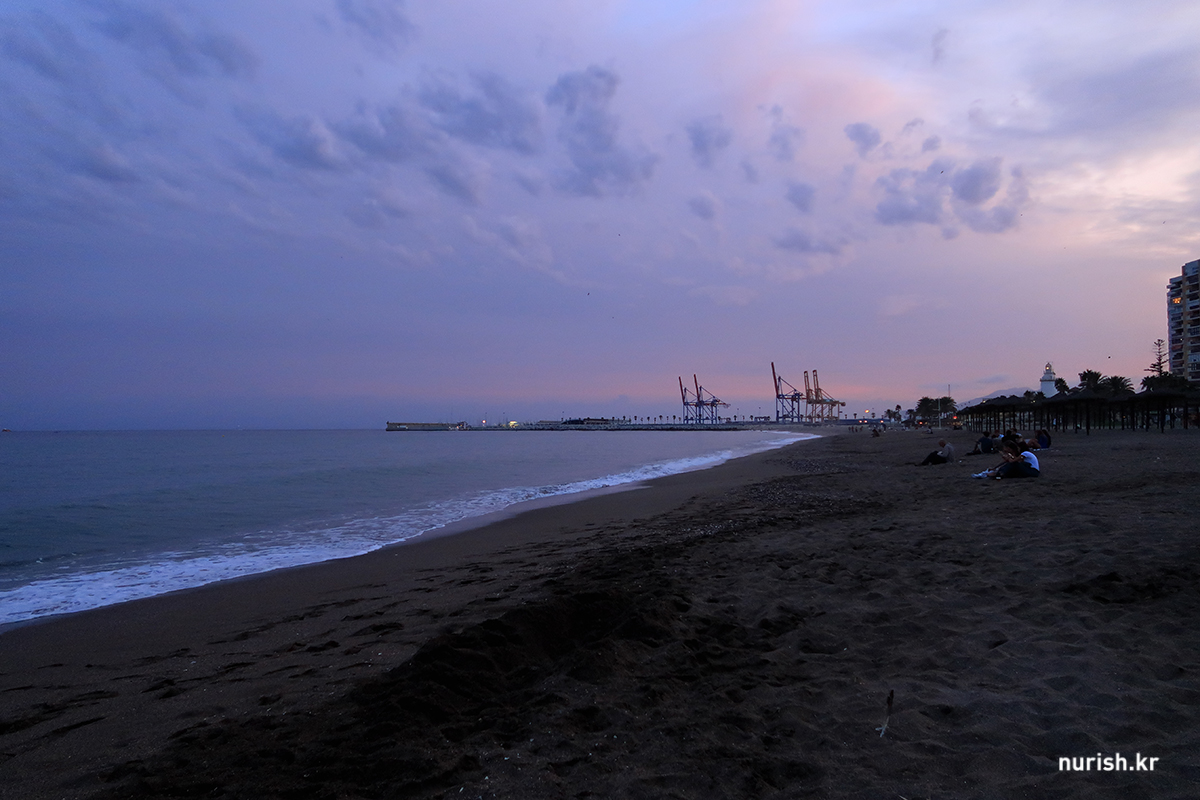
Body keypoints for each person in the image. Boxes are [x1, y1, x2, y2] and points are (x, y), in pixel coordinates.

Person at [974, 440, 1039, 479]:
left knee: (1013, 464)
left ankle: (996, 474)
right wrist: (994, 468)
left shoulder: (1025, 454)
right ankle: (995, 473)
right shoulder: (1023, 454)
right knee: (1011, 470)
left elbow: (1013, 461)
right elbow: (1008, 462)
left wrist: (1008, 458)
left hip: (1033, 471)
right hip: (1029, 470)